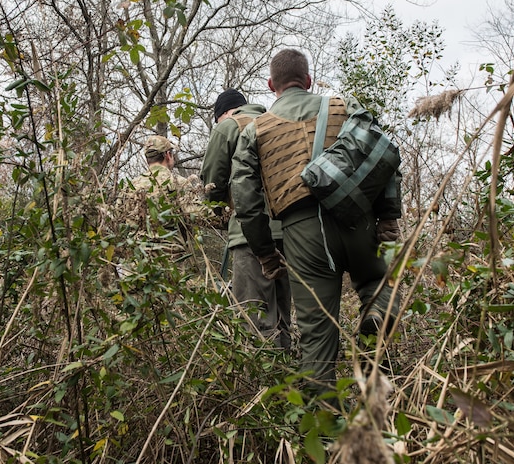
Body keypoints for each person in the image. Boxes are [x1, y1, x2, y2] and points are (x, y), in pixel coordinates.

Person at [230, 49, 402, 401]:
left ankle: (325, 432)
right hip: (359, 218)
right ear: (309, 80)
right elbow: (383, 153)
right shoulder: (344, 107)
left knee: (317, 333)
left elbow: (245, 198)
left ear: (270, 85)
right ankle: (376, 338)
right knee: (376, 285)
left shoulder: (256, 129)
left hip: (302, 231)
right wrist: (387, 217)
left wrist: (265, 252)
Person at [201, 88, 292, 350]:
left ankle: (265, 387)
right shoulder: (276, 121)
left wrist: (216, 214)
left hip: (248, 234)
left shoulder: (228, 127)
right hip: (289, 232)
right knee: (283, 316)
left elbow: (212, 184)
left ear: (224, 113)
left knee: (254, 319)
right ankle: (289, 382)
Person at [122, 135, 205, 257]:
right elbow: (199, 214)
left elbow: (120, 223)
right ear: (168, 155)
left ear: (147, 159)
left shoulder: (129, 187)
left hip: (136, 259)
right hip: (170, 259)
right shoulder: (177, 182)